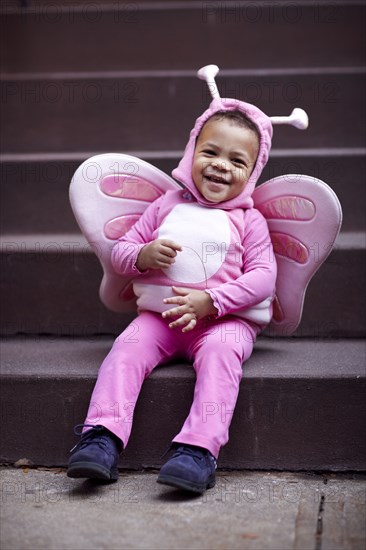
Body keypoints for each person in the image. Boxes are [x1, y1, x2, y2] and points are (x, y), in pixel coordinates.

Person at [67, 96, 277, 494]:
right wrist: (143, 257)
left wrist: (213, 302)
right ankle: (102, 436)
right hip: (157, 320)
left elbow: (264, 278)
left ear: (252, 173)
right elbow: (120, 252)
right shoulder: (165, 205)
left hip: (223, 323)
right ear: (191, 152)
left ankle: (198, 450)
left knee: (221, 354)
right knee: (125, 350)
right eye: (210, 152)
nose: (220, 165)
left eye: (237, 161)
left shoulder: (250, 221)